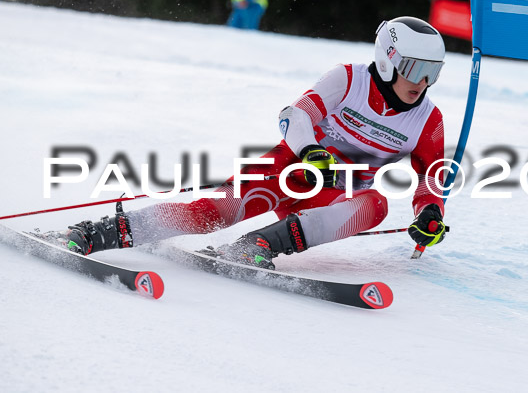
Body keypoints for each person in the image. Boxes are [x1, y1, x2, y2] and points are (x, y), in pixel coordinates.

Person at [46, 17, 449, 269]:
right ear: (388, 59)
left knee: (374, 204)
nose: (422, 82)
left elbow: (431, 176)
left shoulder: (427, 119)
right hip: (287, 171)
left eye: (432, 72)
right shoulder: (348, 79)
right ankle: (96, 232)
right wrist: (310, 152)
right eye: (414, 68)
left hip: (331, 197)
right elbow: (295, 115)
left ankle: (257, 245)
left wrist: (429, 211)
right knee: (214, 212)